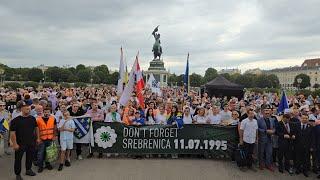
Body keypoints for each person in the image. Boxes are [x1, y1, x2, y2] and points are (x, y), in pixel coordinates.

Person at [10, 100, 40, 180]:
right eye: (26, 108)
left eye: (29, 108)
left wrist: (38, 138)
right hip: (20, 143)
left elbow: (36, 128)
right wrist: (15, 144)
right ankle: (18, 174)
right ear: (21, 109)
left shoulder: (32, 118)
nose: (28, 110)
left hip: (31, 142)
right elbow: (12, 133)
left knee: (30, 157)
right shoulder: (15, 120)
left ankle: (28, 170)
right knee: (18, 159)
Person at [36, 106, 57, 173]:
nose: (46, 113)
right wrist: (38, 138)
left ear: (50, 112)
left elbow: (55, 128)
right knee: (40, 154)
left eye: (48, 112)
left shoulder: (53, 118)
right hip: (42, 139)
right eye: (45, 112)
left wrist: (54, 136)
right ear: (43, 112)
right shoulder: (38, 119)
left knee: (48, 153)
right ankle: (40, 166)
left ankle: (48, 164)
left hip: (50, 138)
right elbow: (37, 130)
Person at [257, 105, 276, 171]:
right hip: (262, 139)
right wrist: (265, 131)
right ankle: (261, 164)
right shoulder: (259, 120)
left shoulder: (272, 120)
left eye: (268, 113)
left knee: (269, 152)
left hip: (270, 139)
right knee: (261, 152)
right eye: (265, 113)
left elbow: (274, 127)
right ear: (262, 113)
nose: (267, 114)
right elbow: (257, 129)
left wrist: (273, 131)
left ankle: (268, 165)